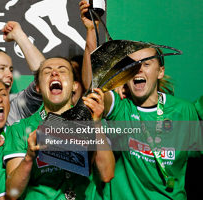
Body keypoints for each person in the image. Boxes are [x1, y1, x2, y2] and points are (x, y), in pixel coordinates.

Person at [85, 46, 203, 199]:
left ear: (160, 72)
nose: (138, 69)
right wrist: (114, 82)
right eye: (133, 65)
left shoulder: (183, 111)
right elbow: (94, 89)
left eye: (146, 64)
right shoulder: (122, 108)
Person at [4, 57, 115, 199]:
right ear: (37, 87)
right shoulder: (20, 129)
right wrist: (29, 157)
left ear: (75, 85)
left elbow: (107, 174)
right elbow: (12, 193)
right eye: (47, 71)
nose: (55, 74)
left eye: (62, 71)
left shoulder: (94, 120)